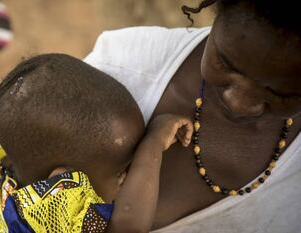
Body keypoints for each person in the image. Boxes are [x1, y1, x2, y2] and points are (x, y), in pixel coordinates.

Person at [84, 0, 301, 232]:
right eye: (226, 64)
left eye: (281, 94)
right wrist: (152, 146)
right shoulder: (120, 66)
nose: (238, 104)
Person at [0, 53, 193, 232]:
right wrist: (152, 145)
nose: (131, 177)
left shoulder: (10, 179)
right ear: (63, 183)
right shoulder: (55, 221)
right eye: (122, 170)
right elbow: (130, 227)